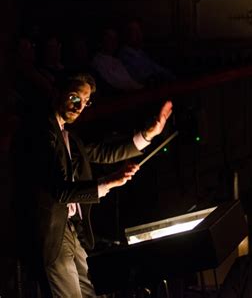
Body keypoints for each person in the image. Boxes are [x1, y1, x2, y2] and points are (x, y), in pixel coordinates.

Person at [11, 72, 173, 297]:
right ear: (58, 93)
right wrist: (108, 182)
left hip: (70, 228)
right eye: (75, 98)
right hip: (51, 233)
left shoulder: (67, 135)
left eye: (85, 102)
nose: (79, 107)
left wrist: (149, 134)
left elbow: (104, 152)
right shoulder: (41, 133)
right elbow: (59, 190)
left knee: (92, 291)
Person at [118, 18, 175, 86]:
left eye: (139, 30)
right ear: (127, 34)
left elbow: (156, 68)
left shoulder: (141, 53)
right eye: (134, 31)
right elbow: (140, 77)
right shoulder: (124, 56)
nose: (139, 34)